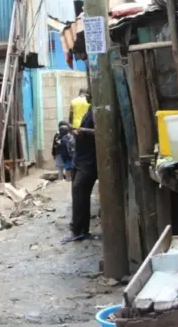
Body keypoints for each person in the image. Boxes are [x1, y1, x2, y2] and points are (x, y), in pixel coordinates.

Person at [62, 92, 98, 244]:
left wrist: (79, 130)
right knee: (80, 196)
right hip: (81, 159)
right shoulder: (90, 110)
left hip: (88, 162)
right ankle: (82, 230)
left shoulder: (97, 111)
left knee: (79, 194)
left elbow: (99, 132)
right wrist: (73, 130)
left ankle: (78, 231)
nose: (87, 96)